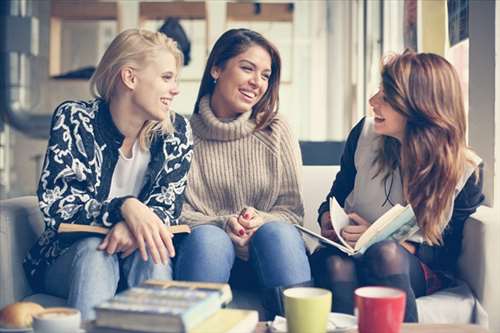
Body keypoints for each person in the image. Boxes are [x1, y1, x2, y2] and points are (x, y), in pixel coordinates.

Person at [23, 29, 193, 320]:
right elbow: (60, 205)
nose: (175, 89)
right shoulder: (75, 119)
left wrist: (133, 225)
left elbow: (166, 208)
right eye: (166, 78)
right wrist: (124, 208)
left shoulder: (176, 132)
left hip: (137, 253)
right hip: (67, 258)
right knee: (95, 251)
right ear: (130, 77)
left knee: (152, 251)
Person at [310, 49, 484, 322]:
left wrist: (387, 240)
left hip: (409, 264)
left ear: (420, 106)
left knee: (384, 253)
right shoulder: (364, 134)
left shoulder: (464, 171)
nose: (372, 101)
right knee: (334, 264)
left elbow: (448, 254)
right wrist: (326, 218)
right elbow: (335, 195)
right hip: (347, 252)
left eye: (386, 96)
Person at [173, 28, 312, 318]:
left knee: (277, 232)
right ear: (216, 69)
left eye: (265, 75)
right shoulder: (178, 134)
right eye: (247, 68)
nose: (256, 82)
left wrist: (258, 221)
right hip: (205, 256)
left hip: (269, 256)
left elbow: (291, 211)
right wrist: (224, 224)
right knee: (210, 238)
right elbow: (175, 212)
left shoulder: (276, 129)